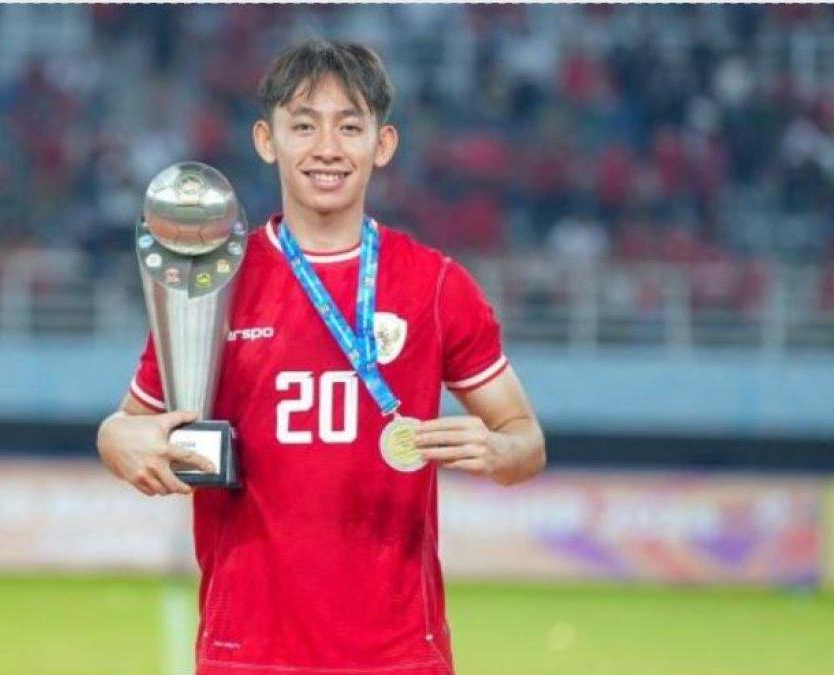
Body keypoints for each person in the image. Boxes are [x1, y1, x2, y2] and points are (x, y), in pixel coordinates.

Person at [96, 39, 546, 675]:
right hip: (247, 654)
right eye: (304, 126)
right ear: (266, 139)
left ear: (383, 144)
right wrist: (116, 440)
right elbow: (129, 424)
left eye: (350, 127)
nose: (327, 148)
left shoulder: (436, 285)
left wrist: (500, 452)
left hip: (398, 658)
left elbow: (526, 440)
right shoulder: (212, 282)